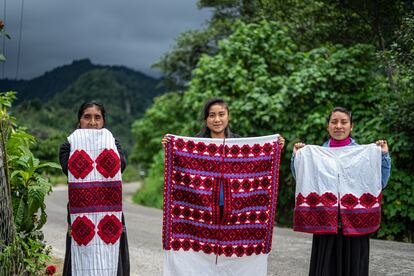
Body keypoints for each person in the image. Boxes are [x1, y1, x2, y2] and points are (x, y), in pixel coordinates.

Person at [162, 98, 285, 275]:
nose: (217, 119)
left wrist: (275, 145)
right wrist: (170, 145)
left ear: (228, 116)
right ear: (206, 119)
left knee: (234, 254)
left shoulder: (240, 145)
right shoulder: (195, 144)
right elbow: (179, 167)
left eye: (221, 114)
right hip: (202, 213)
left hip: (237, 213)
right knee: (202, 253)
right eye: (212, 115)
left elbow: (259, 163)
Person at [291, 106, 391, 276]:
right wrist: (298, 157)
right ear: (328, 126)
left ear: (351, 126)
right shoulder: (316, 154)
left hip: (356, 224)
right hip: (325, 224)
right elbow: (302, 179)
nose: (339, 126)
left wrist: (382, 156)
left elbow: (380, 182)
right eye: (334, 122)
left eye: (344, 122)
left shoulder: (364, 154)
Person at [60, 101, 130, 276]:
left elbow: (121, 165)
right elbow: (67, 169)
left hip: (110, 211)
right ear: (79, 121)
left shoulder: (114, 143)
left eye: (97, 118)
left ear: (103, 122)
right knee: (81, 251)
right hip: (81, 212)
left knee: (110, 250)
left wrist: (102, 146)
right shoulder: (68, 145)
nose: (92, 122)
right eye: (87, 117)